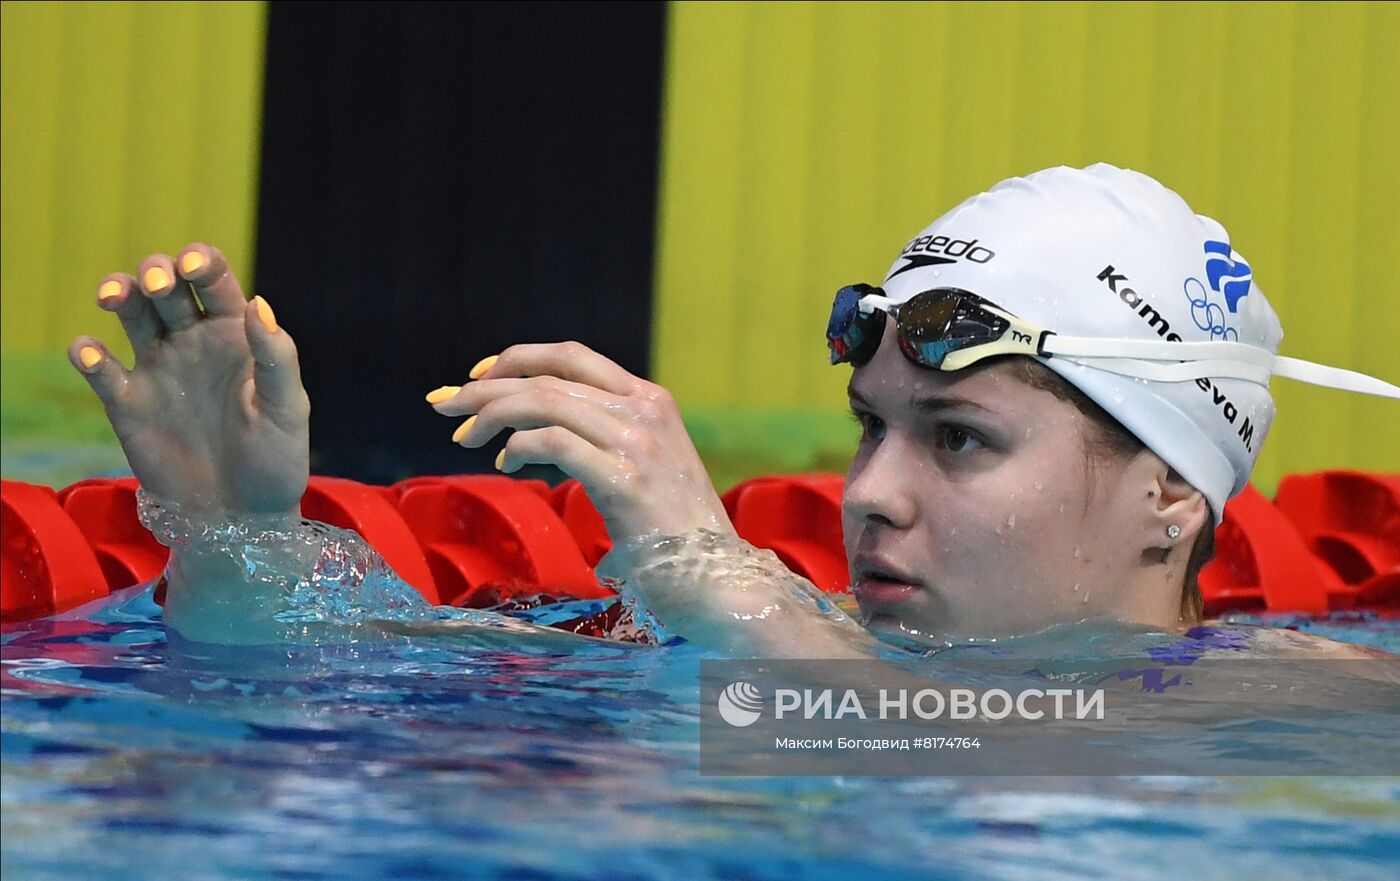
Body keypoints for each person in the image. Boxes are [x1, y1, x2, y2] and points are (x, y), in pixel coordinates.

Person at [68, 164, 1397, 657]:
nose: (867, 491)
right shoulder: (750, 651)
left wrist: (713, 567)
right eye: (874, 424)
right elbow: (329, 688)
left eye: (961, 437)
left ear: (1174, 492)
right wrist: (232, 533)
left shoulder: (1301, 698)